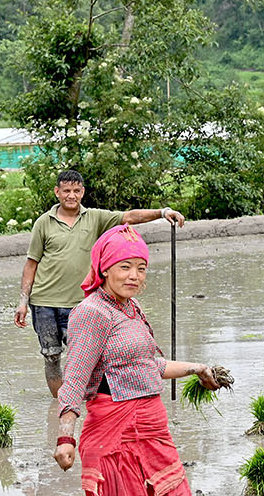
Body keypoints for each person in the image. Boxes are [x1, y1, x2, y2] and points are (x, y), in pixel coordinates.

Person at [53, 225, 223, 496]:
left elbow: (150, 366)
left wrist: (197, 368)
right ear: (104, 269)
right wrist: (65, 437)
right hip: (115, 434)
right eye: (125, 267)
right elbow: (74, 381)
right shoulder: (91, 313)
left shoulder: (132, 309)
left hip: (152, 427)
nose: (134, 276)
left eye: (141, 268)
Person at [13, 169, 187, 398]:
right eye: (66, 191)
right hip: (44, 303)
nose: (71, 196)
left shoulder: (95, 217)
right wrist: (23, 302)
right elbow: (31, 263)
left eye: (76, 191)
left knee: (86, 357)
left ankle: (91, 404)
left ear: (82, 192)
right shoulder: (43, 223)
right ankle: (61, 404)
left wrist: (162, 212)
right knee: (51, 356)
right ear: (57, 192)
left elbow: (129, 217)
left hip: (80, 304)